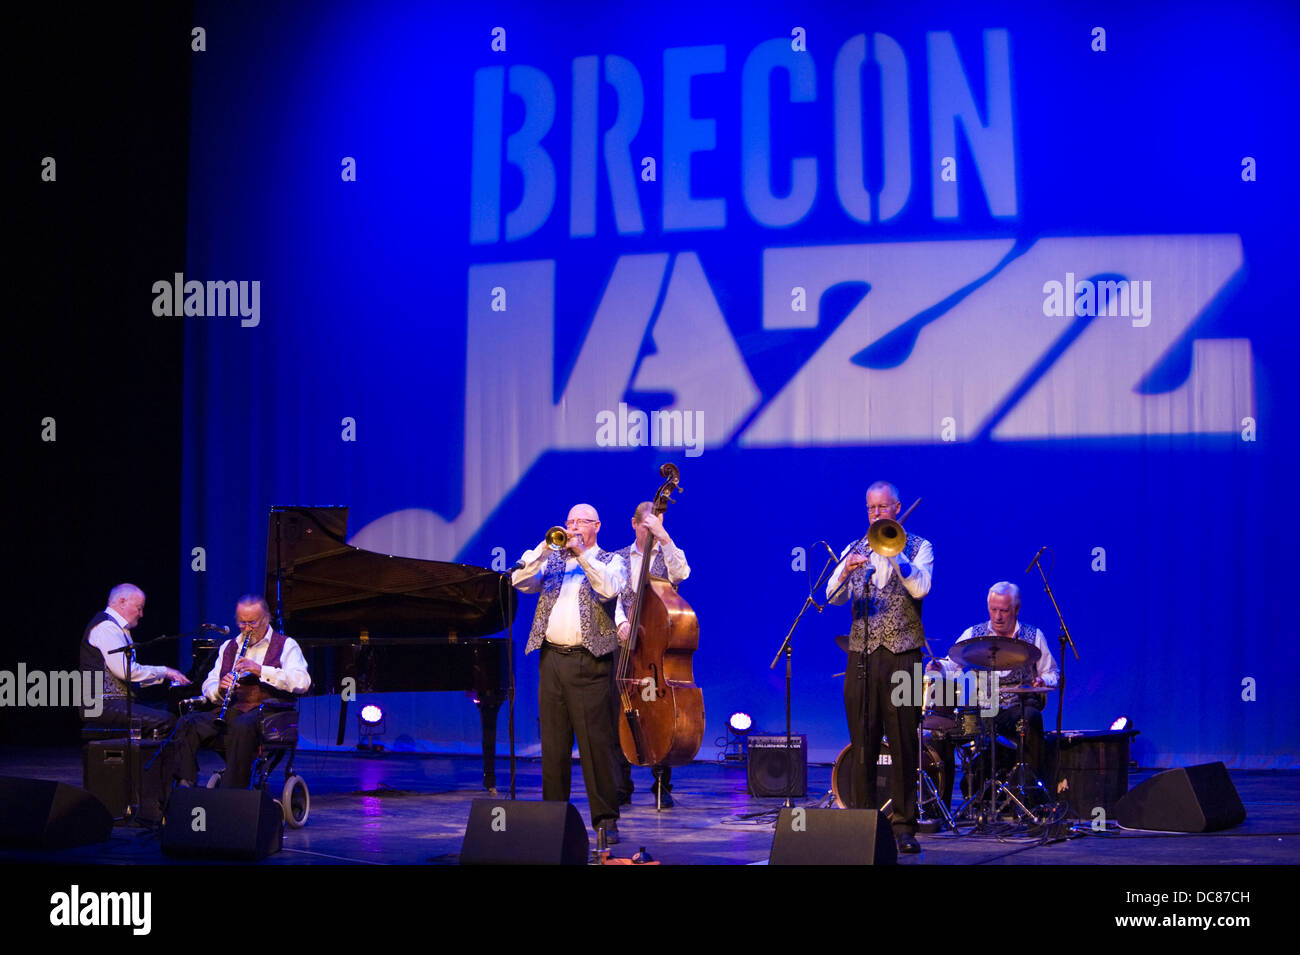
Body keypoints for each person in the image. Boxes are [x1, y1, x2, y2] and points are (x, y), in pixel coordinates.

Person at [827, 482, 933, 853]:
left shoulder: (920, 547)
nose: (876, 515)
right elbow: (831, 597)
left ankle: (904, 826)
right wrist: (844, 572)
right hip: (861, 656)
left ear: (897, 508)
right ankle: (864, 823)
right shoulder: (854, 548)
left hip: (903, 655)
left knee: (903, 741)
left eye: (882, 508)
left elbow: (920, 589)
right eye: (871, 509)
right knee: (863, 741)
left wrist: (895, 552)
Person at [512, 504, 627, 844]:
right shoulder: (553, 561)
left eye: (581, 522)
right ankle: (553, 818)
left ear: (597, 526)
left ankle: (606, 820)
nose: (574, 527)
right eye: (570, 521)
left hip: (589, 662)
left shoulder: (610, 561)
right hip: (551, 661)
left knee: (596, 746)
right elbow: (519, 580)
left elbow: (608, 589)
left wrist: (582, 555)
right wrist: (544, 548)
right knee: (554, 746)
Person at [929, 581, 1058, 799]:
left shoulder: (1034, 636)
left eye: (1004, 611)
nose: (997, 616)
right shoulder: (974, 633)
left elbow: (1053, 673)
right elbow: (952, 664)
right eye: (993, 609)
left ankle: (1034, 799)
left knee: (1032, 718)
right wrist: (938, 667)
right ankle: (940, 803)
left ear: (1017, 609)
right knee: (941, 727)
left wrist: (1041, 680)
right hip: (981, 710)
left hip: (1016, 709)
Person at [175, 595, 311, 789]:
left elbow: (302, 681)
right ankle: (185, 786)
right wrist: (220, 688)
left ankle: (233, 794)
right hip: (232, 710)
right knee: (187, 723)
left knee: (242, 725)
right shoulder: (228, 647)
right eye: (242, 623)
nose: (247, 628)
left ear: (266, 619)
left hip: (269, 713)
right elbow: (209, 683)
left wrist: (261, 670)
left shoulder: (286, 645)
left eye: (252, 623)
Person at [611, 502, 691, 808]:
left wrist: (665, 536)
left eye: (657, 525)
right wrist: (621, 623)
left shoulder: (667, 556)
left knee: (661, 710)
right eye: (648, 526)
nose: (653, 532)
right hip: (626, 644)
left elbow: (682, 573)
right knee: (621, 707)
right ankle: (621, 784)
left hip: (657, 646)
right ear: (634, 524)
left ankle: (661, 783)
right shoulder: (618, 557)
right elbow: (616, 597)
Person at [79, 583, 190, 735]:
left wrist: (164, 676)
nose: (141, 614)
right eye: (139, 608)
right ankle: (155, 759)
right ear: (122, 602)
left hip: (117, 702)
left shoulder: (118, 629)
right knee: (167, 720)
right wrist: (165, 672)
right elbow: (126, 672)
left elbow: (128, 677)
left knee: (171, 711)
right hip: (102, 704)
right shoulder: (106, 627)